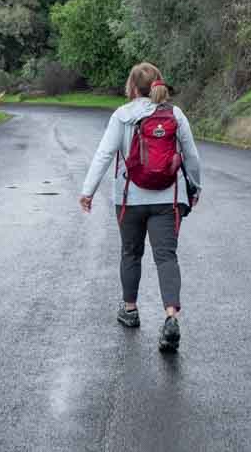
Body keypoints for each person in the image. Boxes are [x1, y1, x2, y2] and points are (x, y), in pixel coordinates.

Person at [79, 62, 202, 352]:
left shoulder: (122, 115)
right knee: (166, 257)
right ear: (158, 84)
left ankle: (130, 310)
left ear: (132, 87)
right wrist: (194, 187)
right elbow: (191, 155)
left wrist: (88, 191)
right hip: (168, 198)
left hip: (129, 199)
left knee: (131, 252)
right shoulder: (175, 114)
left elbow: (105, 154)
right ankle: (171, 315)